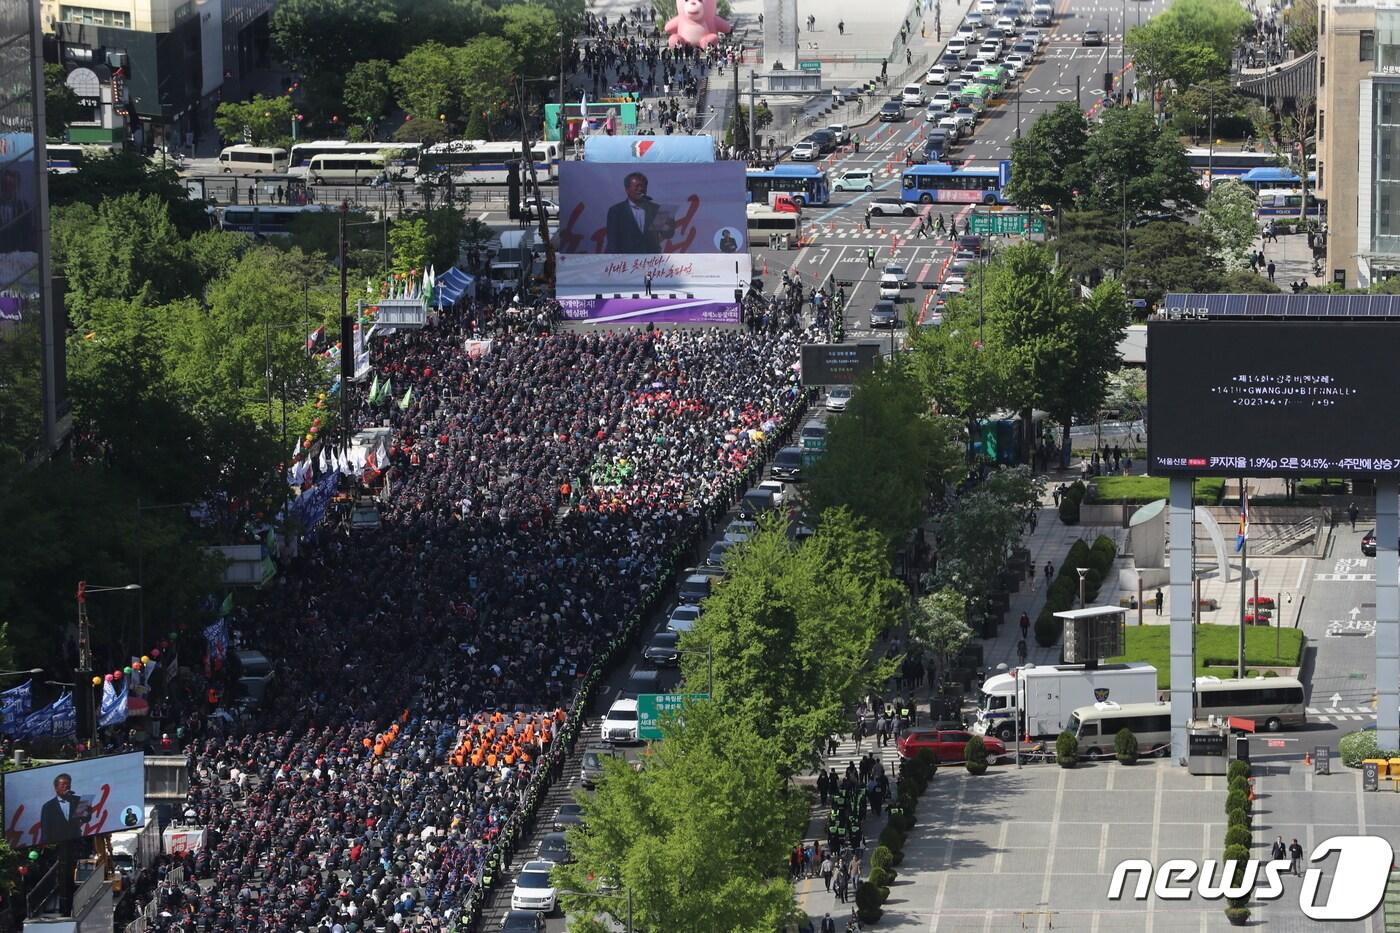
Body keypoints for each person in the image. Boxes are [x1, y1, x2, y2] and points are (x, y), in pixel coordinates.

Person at [605, 171, 672, 252]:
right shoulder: (616, 211)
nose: (640, 189)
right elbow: (612, 242)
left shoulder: (655, 209)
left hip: (652, 260)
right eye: (637, 186)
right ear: (627, 189)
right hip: (626, 260)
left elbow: (667, 234)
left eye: (643, 186)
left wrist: (669, 220)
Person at [40, 772, 86, 844]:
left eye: (68, 785)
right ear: (56, 788)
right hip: (58, 844)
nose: (66, 786)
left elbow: (86, 819)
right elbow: (45, 830)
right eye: (63, 785)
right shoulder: (48, 806)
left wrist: (86, 807)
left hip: (76, 842)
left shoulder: (78, 800)